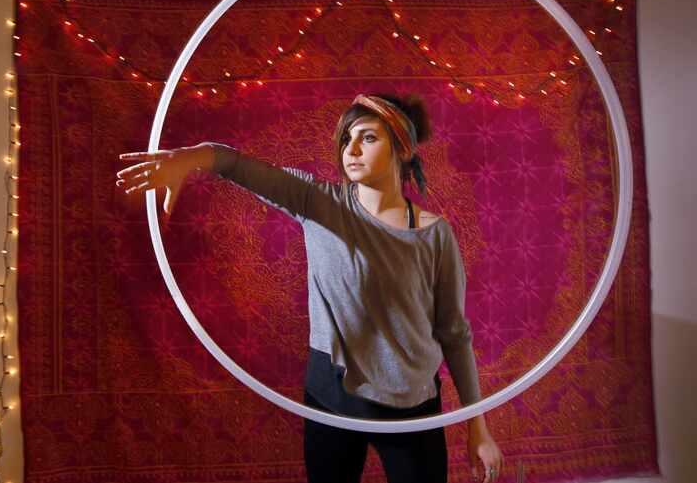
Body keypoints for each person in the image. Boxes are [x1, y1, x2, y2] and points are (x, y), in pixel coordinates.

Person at [116, 92, 503, 483]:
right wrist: (190, 157)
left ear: (401, 146)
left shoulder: (435, 234)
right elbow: (233, 163)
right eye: (346, 139)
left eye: (368, 137)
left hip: (412, 407)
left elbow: (454, 333)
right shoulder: (317, 202)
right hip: (330, 402)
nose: (350, 149)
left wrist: (477, 427)